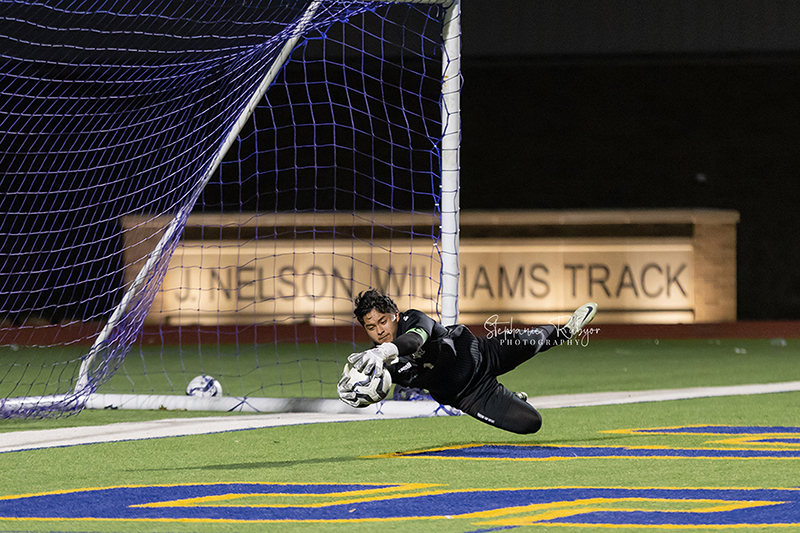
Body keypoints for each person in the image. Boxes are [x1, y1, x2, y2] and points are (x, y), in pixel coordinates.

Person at [337, 289, 597, 434]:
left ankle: (568, 329)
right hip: (469, 395)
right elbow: (377, 387)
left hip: (484, 353)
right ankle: (512, 398)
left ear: (395, 315)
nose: (379, 331)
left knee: (532, 340)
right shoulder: (375, 363)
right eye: (371, 327)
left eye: (383, 321)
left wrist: (387, 351)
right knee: (531, 424)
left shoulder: (412, 320)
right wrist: (357, 393)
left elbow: (414, 341)